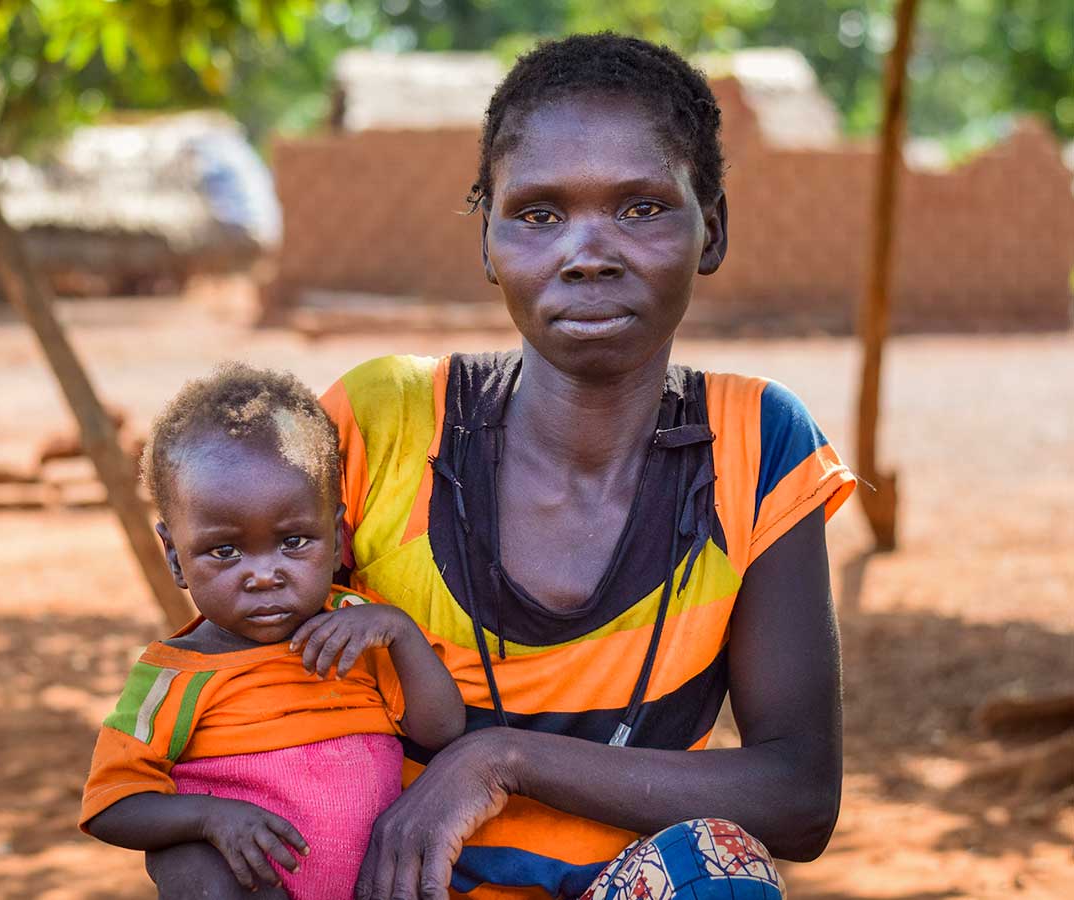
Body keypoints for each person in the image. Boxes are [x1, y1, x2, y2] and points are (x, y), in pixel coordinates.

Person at [148, 31, 856, 900]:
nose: (585, 253)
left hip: (616, 883)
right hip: (375, 881)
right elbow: (223, 666)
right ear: (487, 241)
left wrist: (499, 759)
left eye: (640, 208)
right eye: (537, 214)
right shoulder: (381, 423)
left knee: (719, 873)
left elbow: (798, 797)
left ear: (710, 227)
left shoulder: (759, 445)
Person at [81, 364, 466, 900]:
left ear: (335, 537)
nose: (264, 573)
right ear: (174, 557)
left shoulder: (357, 630)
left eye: (293, 541)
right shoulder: (174, 675)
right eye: (225, 551)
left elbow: (442, 731)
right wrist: (211, 819)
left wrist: (399, 632)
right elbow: (111, 804)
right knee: (188, 865)